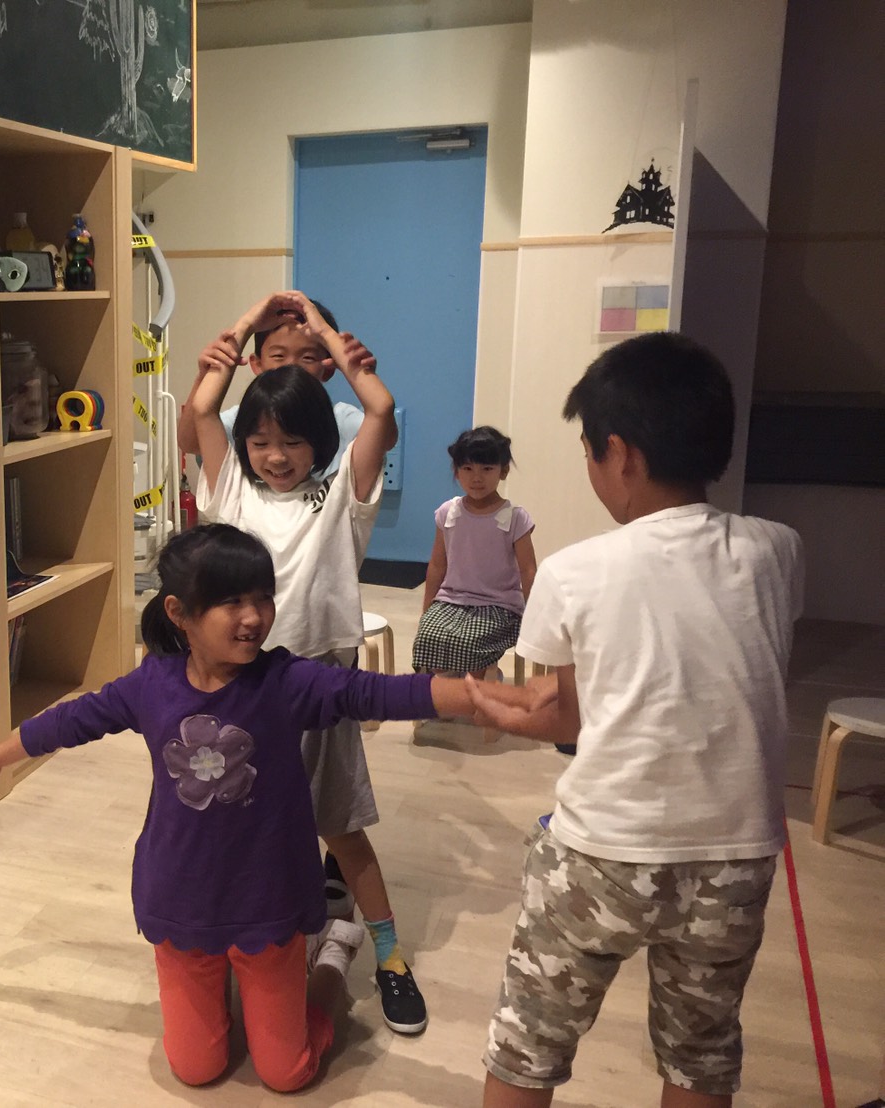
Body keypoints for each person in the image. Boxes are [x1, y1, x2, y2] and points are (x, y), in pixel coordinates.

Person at [0, 524, 524, 1091]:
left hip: (268, 900)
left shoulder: (286, 681)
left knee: (287, 1073)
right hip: (181, 902)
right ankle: (234, 984)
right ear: (179, 613)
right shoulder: (151, 685)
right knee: (195, 1069)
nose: (254, 616)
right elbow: (72, 719)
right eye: (231, 602)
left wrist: (483, 697)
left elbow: (376, 692)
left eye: (262, 598)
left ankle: (333, 954)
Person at [465, 332, 806, 1108]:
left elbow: (567, 717)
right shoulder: (778, 551)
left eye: (588, 452)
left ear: (619, 454)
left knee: (528, 1042)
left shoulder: (573, 571)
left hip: (604, 851)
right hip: (736, 857)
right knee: (701, 1054)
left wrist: (491, 706)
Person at [190, 291, 430, 1037]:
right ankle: (251, 943)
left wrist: (325, 333)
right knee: (242, 823)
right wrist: (243, 325)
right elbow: (203, 408)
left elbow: (380, 409)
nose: (276, 456)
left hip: (317, 685)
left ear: (320, 443)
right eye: (262, 441)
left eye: (293, 442)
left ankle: (389, 955)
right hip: (241, 688)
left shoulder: (340, 495)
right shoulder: (230, 488)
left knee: (341, 828)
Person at [177, 293, 378, 476]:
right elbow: (191, 442)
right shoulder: (245, 421)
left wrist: (360, 373)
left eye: (307, 357)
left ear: (328, 368)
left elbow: (383, 429)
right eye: (278, 356)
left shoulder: (344, 421)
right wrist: (207, 372)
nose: (291, 366)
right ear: (257, 364)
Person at [412, 426, 537, 681]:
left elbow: (528, 570)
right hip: (452, 600)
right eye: (467, 468)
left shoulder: (514, 517)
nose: (476, 478)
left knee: (471, 642)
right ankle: (449, 689)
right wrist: (427, 609)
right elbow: (437, 565)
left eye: (487, 469)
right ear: (456, 471)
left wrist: (535, 615)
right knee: (428, 635)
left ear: (503, 471)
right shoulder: (448, 513)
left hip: (499, 605)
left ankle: (479, 685)